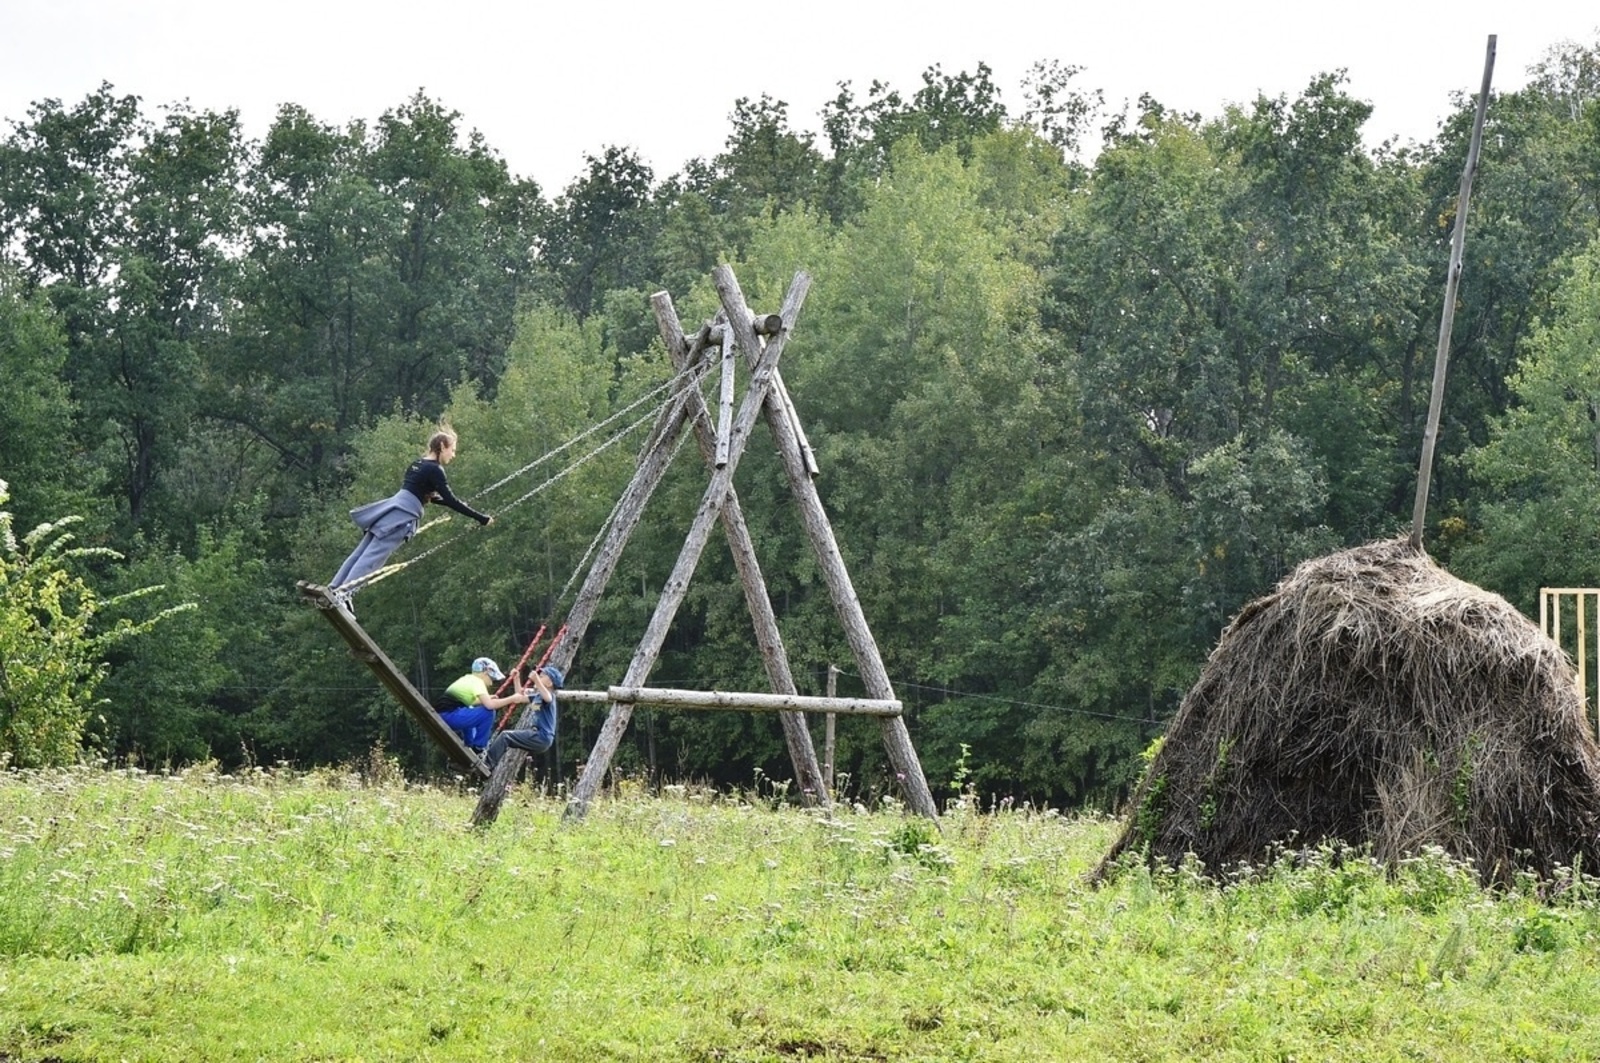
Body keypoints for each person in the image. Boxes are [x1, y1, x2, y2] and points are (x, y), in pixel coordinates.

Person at [330, 427, 492, 594]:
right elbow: (451, 500)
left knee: (362, 552)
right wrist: (481, 518)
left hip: (389, 511)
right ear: (443, 446)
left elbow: (428, 496)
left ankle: (334, 587)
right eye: (453, 450)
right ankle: (344, 594)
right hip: (402, 518)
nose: (453, 455)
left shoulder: (417, 464)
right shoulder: (435, 470)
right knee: (373, 557)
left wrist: (457, 504)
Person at [434, 657, 533, 754]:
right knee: (488, 712)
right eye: (492, 678)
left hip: (443, 715)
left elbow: (469, 701)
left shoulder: (467, 679)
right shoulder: (478, 682)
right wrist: (512, 699)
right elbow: (490, 706)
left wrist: (488, 697)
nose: (491, 683)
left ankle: (469, 744)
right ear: (486, 673)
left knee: (470, 708)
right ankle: (478, 747)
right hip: (449, 716)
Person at [486, 664, 564, 771]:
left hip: (542, 736)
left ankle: (488, 765)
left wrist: (536, 680)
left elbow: (548, 697)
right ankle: (489, 763)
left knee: (505, 736)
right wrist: (516, 679)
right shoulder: (537, 696)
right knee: (506, 738)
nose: (538, 677)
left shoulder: (549, 696)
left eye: (542, 676)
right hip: (539, 737)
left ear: (550, 683)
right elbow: (519, 697)